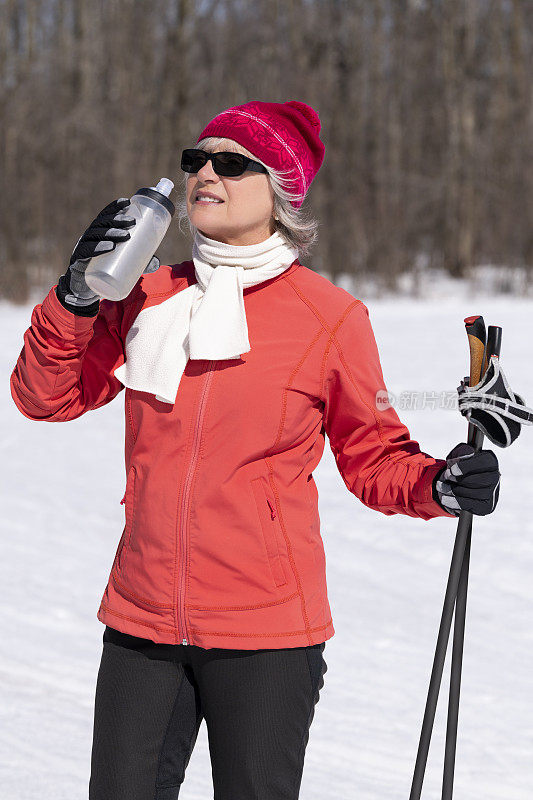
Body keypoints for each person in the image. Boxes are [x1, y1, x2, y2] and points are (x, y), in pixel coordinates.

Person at [10, 100, 500, 800]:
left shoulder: (328, 318)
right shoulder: (144, 294)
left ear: (281, 191)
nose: (204, 173)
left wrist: (440, 484)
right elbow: (43, 396)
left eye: (230, 162)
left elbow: (373, 454)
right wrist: (73, 297)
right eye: (195, 161)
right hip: (142, 620)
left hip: (267, 634)